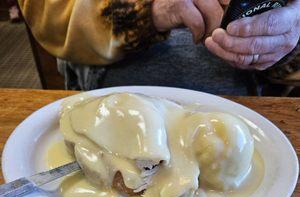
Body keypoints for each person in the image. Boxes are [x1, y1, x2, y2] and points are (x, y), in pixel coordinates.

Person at [18, 0, 299, 95]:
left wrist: (290, 30)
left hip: (256, 102)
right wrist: (144, 10)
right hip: (109, 90)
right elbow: (47, 13)